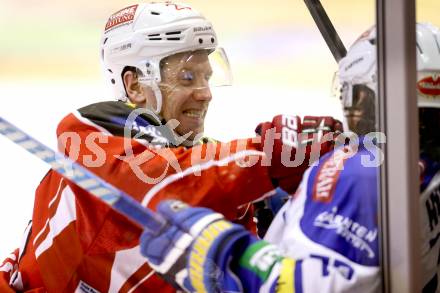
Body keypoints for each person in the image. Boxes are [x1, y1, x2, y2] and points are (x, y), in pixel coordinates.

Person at [0, 2, 342, 292]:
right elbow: (162, 181)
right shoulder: (90, 137)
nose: (206, 93)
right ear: (135, 85)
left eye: (208, 77)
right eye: (188, 77)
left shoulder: (204, 168)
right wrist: (270, 155)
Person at [138, 23, 440, 292]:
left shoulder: (361, 174)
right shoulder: (425, 170)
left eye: (352, 94)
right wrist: (294, 218)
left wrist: (223, 247)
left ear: (366, 94)